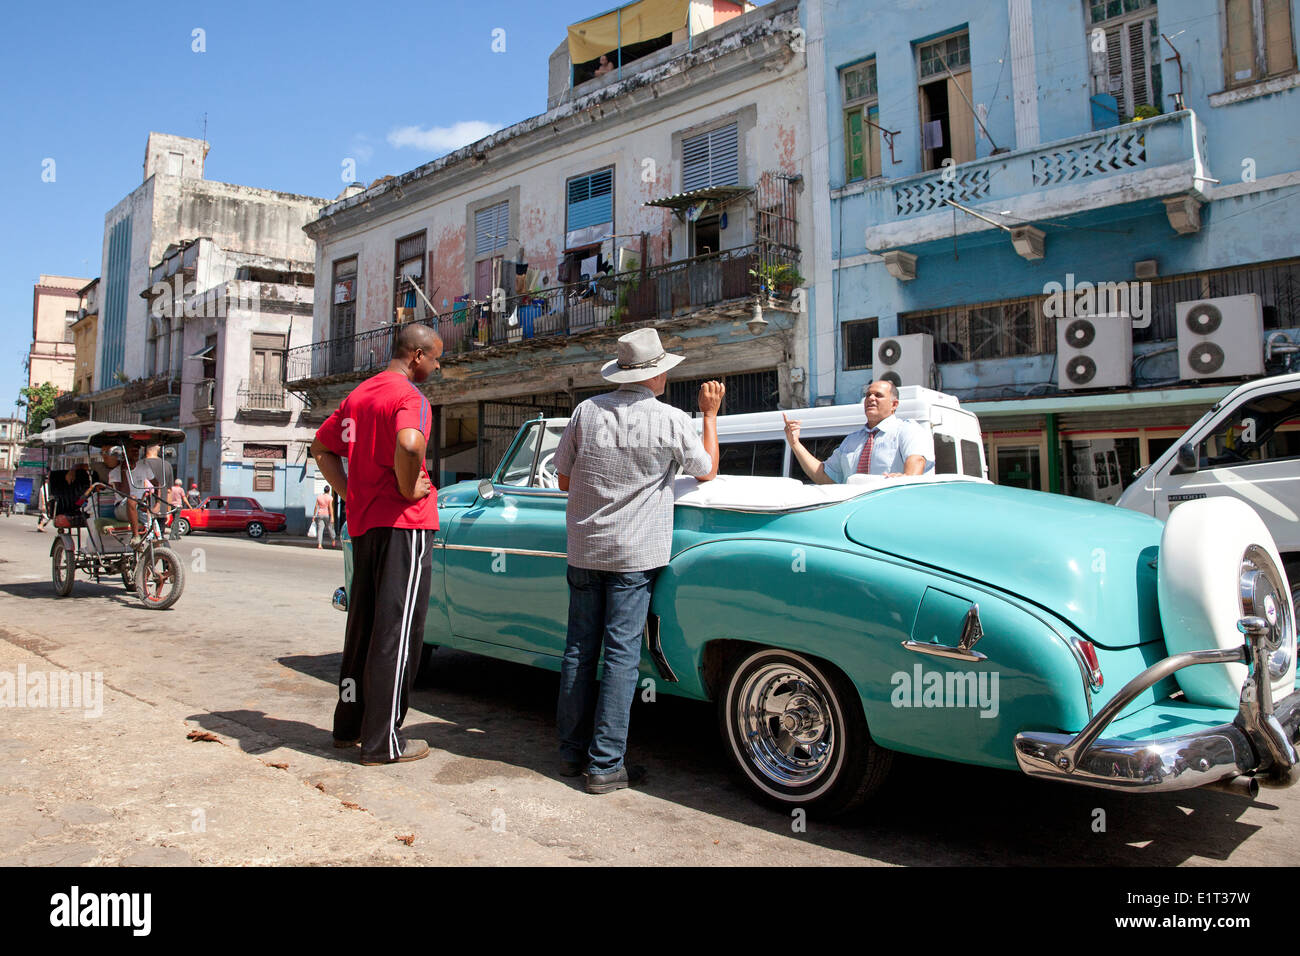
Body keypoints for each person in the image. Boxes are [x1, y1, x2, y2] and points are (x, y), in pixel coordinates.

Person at [553, 327, 723, 793]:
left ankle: (571, 755)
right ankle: (605, 765)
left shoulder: (586, 411)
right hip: (633, 557)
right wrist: (709, 416)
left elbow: (564, 480)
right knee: (622, 657)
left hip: (585, 550)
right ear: (656, 374)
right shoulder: (671, 419)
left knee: (579, 651)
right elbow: (707, 470)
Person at [311, 323, 442, 766]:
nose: (438, 366)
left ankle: (350, 728)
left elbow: (320, 448)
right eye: (436, 358)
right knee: (398, 633)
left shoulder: (358, 396)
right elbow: (409, 443)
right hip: (405, 526)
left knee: (364, 627)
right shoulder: (410, 398)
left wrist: (350, 494)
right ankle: (383, 742)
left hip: (364, 526)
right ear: (417, 356)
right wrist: (407, 489)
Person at [784, 379, 933, 483]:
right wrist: (795, 443)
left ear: (894, 404)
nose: (871, 398)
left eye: (878, 395)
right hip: (856, 515)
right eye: (868, 395)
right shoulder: (851, 441)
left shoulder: (907, 429)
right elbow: (824, 475)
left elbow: (916, 462)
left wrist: (906, 479)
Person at [101, 443, 155, 546]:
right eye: (132, 451)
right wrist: (124, 471)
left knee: (155, 532)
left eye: (137, 451)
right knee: (132, 499)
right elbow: (124, 494)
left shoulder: (143, 467)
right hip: (122, 508)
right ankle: (135, 536)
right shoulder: (114, 473)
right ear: (124, 454)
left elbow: (157, 485)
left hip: (140, 506)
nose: (135, 453)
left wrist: (156, 505)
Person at [313, 485, 338, 549]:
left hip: (320, 514)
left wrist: (314, 515)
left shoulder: (319, 497)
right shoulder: (330, 498)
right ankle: (333, 540)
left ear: (324, 490)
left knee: (320, 530)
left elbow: (316, 507)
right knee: (330, 528)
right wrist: (332, 516)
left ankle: (319, 545)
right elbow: (330, 507)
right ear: (329, 491)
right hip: (327, 515)